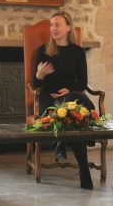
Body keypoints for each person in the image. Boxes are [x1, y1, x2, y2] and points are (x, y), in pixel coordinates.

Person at [32, 10, 95, 189]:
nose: (53, 28)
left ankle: (61, 143)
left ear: (68, 27)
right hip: (49, 99)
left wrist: (70, 90)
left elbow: (82, 82)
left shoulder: (77, 52)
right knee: (76, 114)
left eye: (57, 24)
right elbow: (36, 84)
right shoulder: (43, 51)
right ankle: (84, 171)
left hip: (71, 96)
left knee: (73, 103)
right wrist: (39, 74)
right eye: (51, 25)